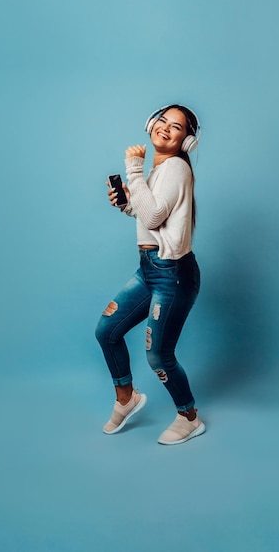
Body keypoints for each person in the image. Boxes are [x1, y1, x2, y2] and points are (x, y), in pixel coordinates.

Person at [95, 104, 205, 445]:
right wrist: (128, 203)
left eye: (177, 126)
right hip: (149, 268)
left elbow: (155, 216)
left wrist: (132, 170)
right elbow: (150, 216)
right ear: (151, 124)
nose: (166, 128)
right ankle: (126, 398)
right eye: (162, 120)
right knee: (107, 330)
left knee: (158, 354)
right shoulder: (160, 171)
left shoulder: (175, 168)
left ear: (187, 141)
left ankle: (189, 417)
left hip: (172, 273)